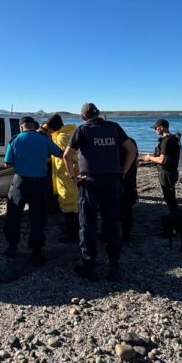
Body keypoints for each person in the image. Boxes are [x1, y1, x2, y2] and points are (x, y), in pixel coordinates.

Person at [63, 103, 137, 281]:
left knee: (87, 224)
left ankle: (89, 267)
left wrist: (73, 177)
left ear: (82, 117)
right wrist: (124, 170)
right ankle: (114, 266)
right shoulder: (114, 127)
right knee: (111, 222)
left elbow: (66, 155)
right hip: (111, 181)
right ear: (99, 114)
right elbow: (132, 150)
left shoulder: (82, 130)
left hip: (90, 182)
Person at [3, 116, 64, 267]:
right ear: (33, 125)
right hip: (39, 184)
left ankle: (12, 248)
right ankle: (36, 252)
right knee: (37, 218)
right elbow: (60, 154)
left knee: (13, 215)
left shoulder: (15, 139)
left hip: (20, 182)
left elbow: (7, 163)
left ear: (21, 126)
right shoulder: (43, 139)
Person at [46, 113, 79, 243]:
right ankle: (72, 230)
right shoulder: (69, 133)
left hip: (67, 178)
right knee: (71, 204)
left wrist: (72, 174)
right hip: (68, 176)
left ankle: (72, 235)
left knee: (69, 205)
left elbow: (70, 157)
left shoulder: (62, 137)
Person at [142, 118, 180, 212]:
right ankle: (175, 216)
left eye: (156, 128)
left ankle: (176, 218)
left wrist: (149, 158)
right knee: (170, 196)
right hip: (171, 171)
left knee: (169, 197)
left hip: (166, 172)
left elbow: (162, 160)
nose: (155, 130)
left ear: (161, 127)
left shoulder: (166, 141)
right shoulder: (172, 138)